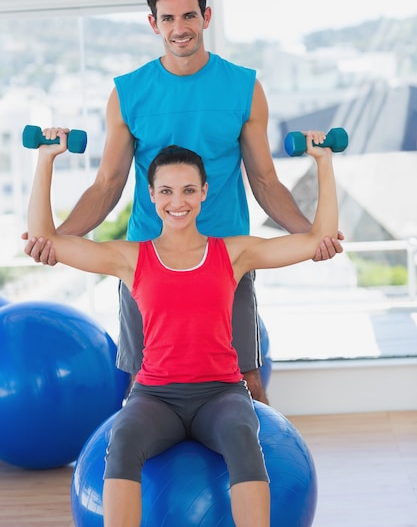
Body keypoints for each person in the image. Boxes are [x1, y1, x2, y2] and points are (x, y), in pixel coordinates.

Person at [23, 0, 343, 403]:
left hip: (226, 258)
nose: (180, 29)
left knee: (247, 379)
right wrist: (60, 241)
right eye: (168, 19)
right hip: (147, 262)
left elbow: (265, 181)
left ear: (206, 16)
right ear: (153, 23)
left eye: (189, 16)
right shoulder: (128, 93)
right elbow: (107, 185)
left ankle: (258, 469)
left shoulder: (245, 88)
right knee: (142, 384)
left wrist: (311, 237)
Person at [26, 129, 339, 527]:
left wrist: (324, 162)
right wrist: (46, 158)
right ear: (152, 195)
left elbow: (320, 239)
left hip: (221, 393)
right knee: (122, 440)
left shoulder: (233, 253)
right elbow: (43, 238)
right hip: (156, 397)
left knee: (245, 438)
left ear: (205, 192)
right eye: (167, 191)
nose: (178, 201)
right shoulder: (131, 258)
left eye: (189, 190)